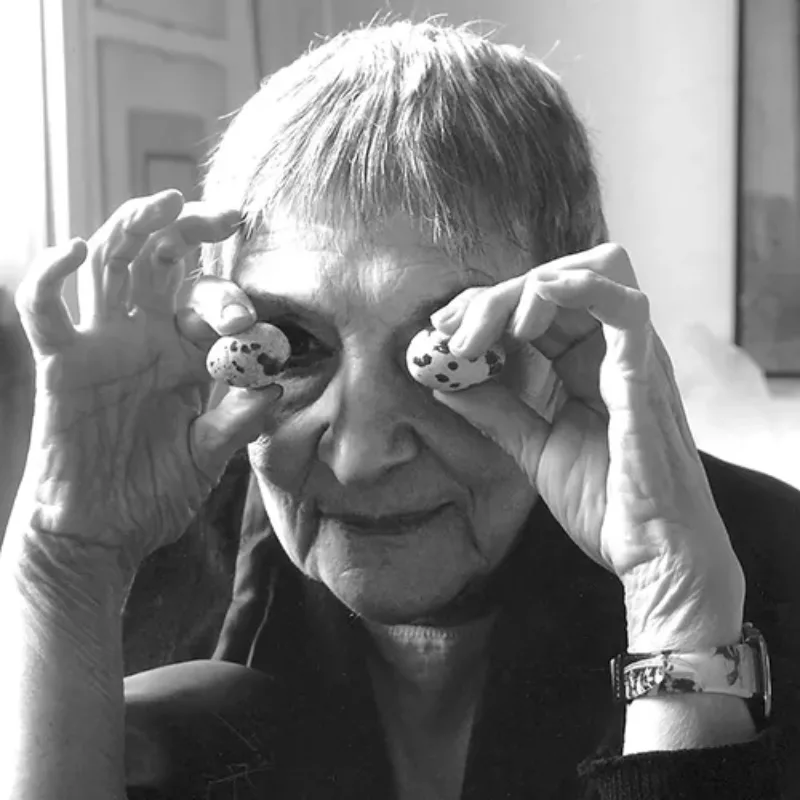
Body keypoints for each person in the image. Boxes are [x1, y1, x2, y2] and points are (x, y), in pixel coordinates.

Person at [1, 18, 797, 800]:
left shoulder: (766, 565)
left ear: (564, 344)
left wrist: (677, 610)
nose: (359, 452)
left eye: (453, 351)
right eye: (291, 342)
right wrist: (61, 566)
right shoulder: (138, 567)